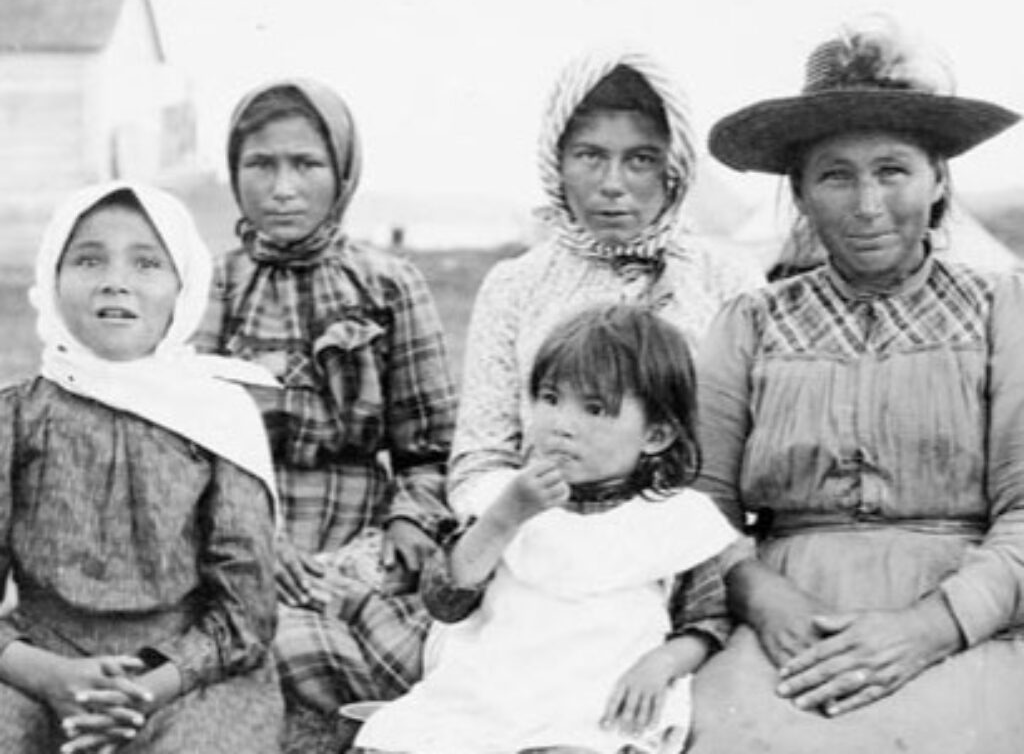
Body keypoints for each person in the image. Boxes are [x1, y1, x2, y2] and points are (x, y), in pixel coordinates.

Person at [686, 14, 1024, 753]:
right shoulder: (750, 323)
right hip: (785, 620)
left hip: (971, 617)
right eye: (836, 175)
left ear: (938, 181)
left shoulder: (1004, 309)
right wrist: (761, 597)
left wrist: (932, 628)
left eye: (893, 170)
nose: (868, 205)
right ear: (801, 194)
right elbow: (699, 510)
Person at [447, 48, 763, 660]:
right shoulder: (514, 285)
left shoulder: (732, 279)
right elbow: (479, 457)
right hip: (538, 551)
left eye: (641, 160)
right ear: (556, 162)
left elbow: (753, 449)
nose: (612, 183)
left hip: (695, 556)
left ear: (674, 168)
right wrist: (525, 518)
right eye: (589, 155)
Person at [192, 78, 458, 729]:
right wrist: (248, 537)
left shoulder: (390, 284)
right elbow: (183, 446)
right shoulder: (208, 284)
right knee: (289, 645)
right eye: (261, 164)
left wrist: (410, 524)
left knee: (424, 659)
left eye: (306, 164)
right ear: (235, 173)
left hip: (364, 535)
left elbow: (430, 448)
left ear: (342, 173)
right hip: (246, 538)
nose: (282, 187)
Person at [355, 304, 739, 754]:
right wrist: (505, 516)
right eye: (550, 399)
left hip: (595, 697)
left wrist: (663, 663)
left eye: (595, 409)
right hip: (492, 687)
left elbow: (708, 619)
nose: (561, 425)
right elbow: (445, 600)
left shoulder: (677, 519)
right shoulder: (506, 497)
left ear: (655, 436)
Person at [0, 181, 282, 753]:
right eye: (88, 259)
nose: (115, 280)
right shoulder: (16, 416)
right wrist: (45, 675)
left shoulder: (217, 420)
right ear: (52, 279)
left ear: (184, 287)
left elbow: (246, 612)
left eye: (147, 263)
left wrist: (148, 689)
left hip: (187, 673)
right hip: (35, 662)